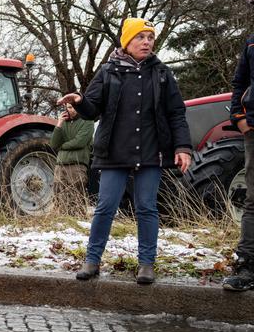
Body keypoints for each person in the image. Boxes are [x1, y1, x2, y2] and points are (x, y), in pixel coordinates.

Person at [58, 17, 192, 285]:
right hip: (114, 152)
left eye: (150, 37)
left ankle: (146, 264)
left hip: (151, 151)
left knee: (146, 208)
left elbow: (176, 113)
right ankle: (92, 261)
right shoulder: (108, 71)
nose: (146, 42)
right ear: (127, 41)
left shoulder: (162, 73)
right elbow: (92, 107)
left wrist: (183, 147)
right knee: (105, 207)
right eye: (140, 37)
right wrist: (80, 101)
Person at [224, 0, 254, 291]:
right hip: (253, 130)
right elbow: (239, 84)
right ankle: (247, 266)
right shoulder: (251, 44)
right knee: (253, 200)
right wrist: (239, 118)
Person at [49, 102, 94, 215]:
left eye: (74, 107)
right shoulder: (63, 123)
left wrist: (62, 146)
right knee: (59, 199)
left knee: (76, 200)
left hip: (77, 165)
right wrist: (59, 124)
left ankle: (78, 223)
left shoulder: (88, 121)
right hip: (60, 165)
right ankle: (63, 226)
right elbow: (54, 144)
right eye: (69, 107)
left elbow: (79, 142)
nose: (72, 110)